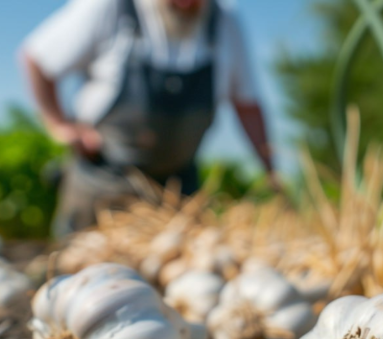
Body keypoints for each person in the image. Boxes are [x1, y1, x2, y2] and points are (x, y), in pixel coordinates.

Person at [21, 0, 276, 237]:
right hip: (103, 182)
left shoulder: (225, 22)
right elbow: (37, 58)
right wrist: (60, 125)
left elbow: (247, 104)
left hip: (177, 193)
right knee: (83, 273)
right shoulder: (110, 7)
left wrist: (270, 171)